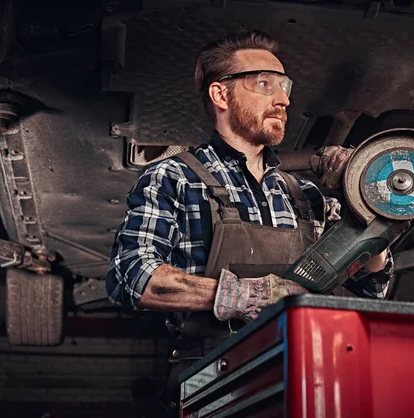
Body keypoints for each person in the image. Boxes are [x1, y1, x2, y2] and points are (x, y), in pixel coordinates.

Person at [106, 30, 393, 414]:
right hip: (211, 372)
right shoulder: (175, 177)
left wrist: (364, 201)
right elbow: (131, 277)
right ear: (221, 94)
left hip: (308, 368)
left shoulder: (305, 194)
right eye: (264, 84)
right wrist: (242, 296)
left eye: (284, 86)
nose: (284, 99)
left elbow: (371, 283)